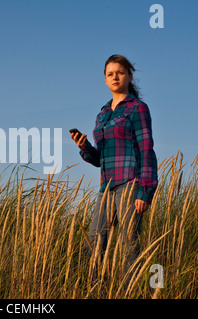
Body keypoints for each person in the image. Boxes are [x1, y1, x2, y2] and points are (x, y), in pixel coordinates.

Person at [71, 54, 158, 277]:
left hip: (130, 184)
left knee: (129, 244)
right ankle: (95, 291)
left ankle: (132, 293)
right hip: (106, 187)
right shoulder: (103, 113)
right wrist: (85, 147)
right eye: (110, 74)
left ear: (130, 76)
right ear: (105, 79)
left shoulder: (138, 108)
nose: (115, 77)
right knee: (94, 243)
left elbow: (146, 148)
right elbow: (100, 159)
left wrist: (145, 191)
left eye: (120, 72)